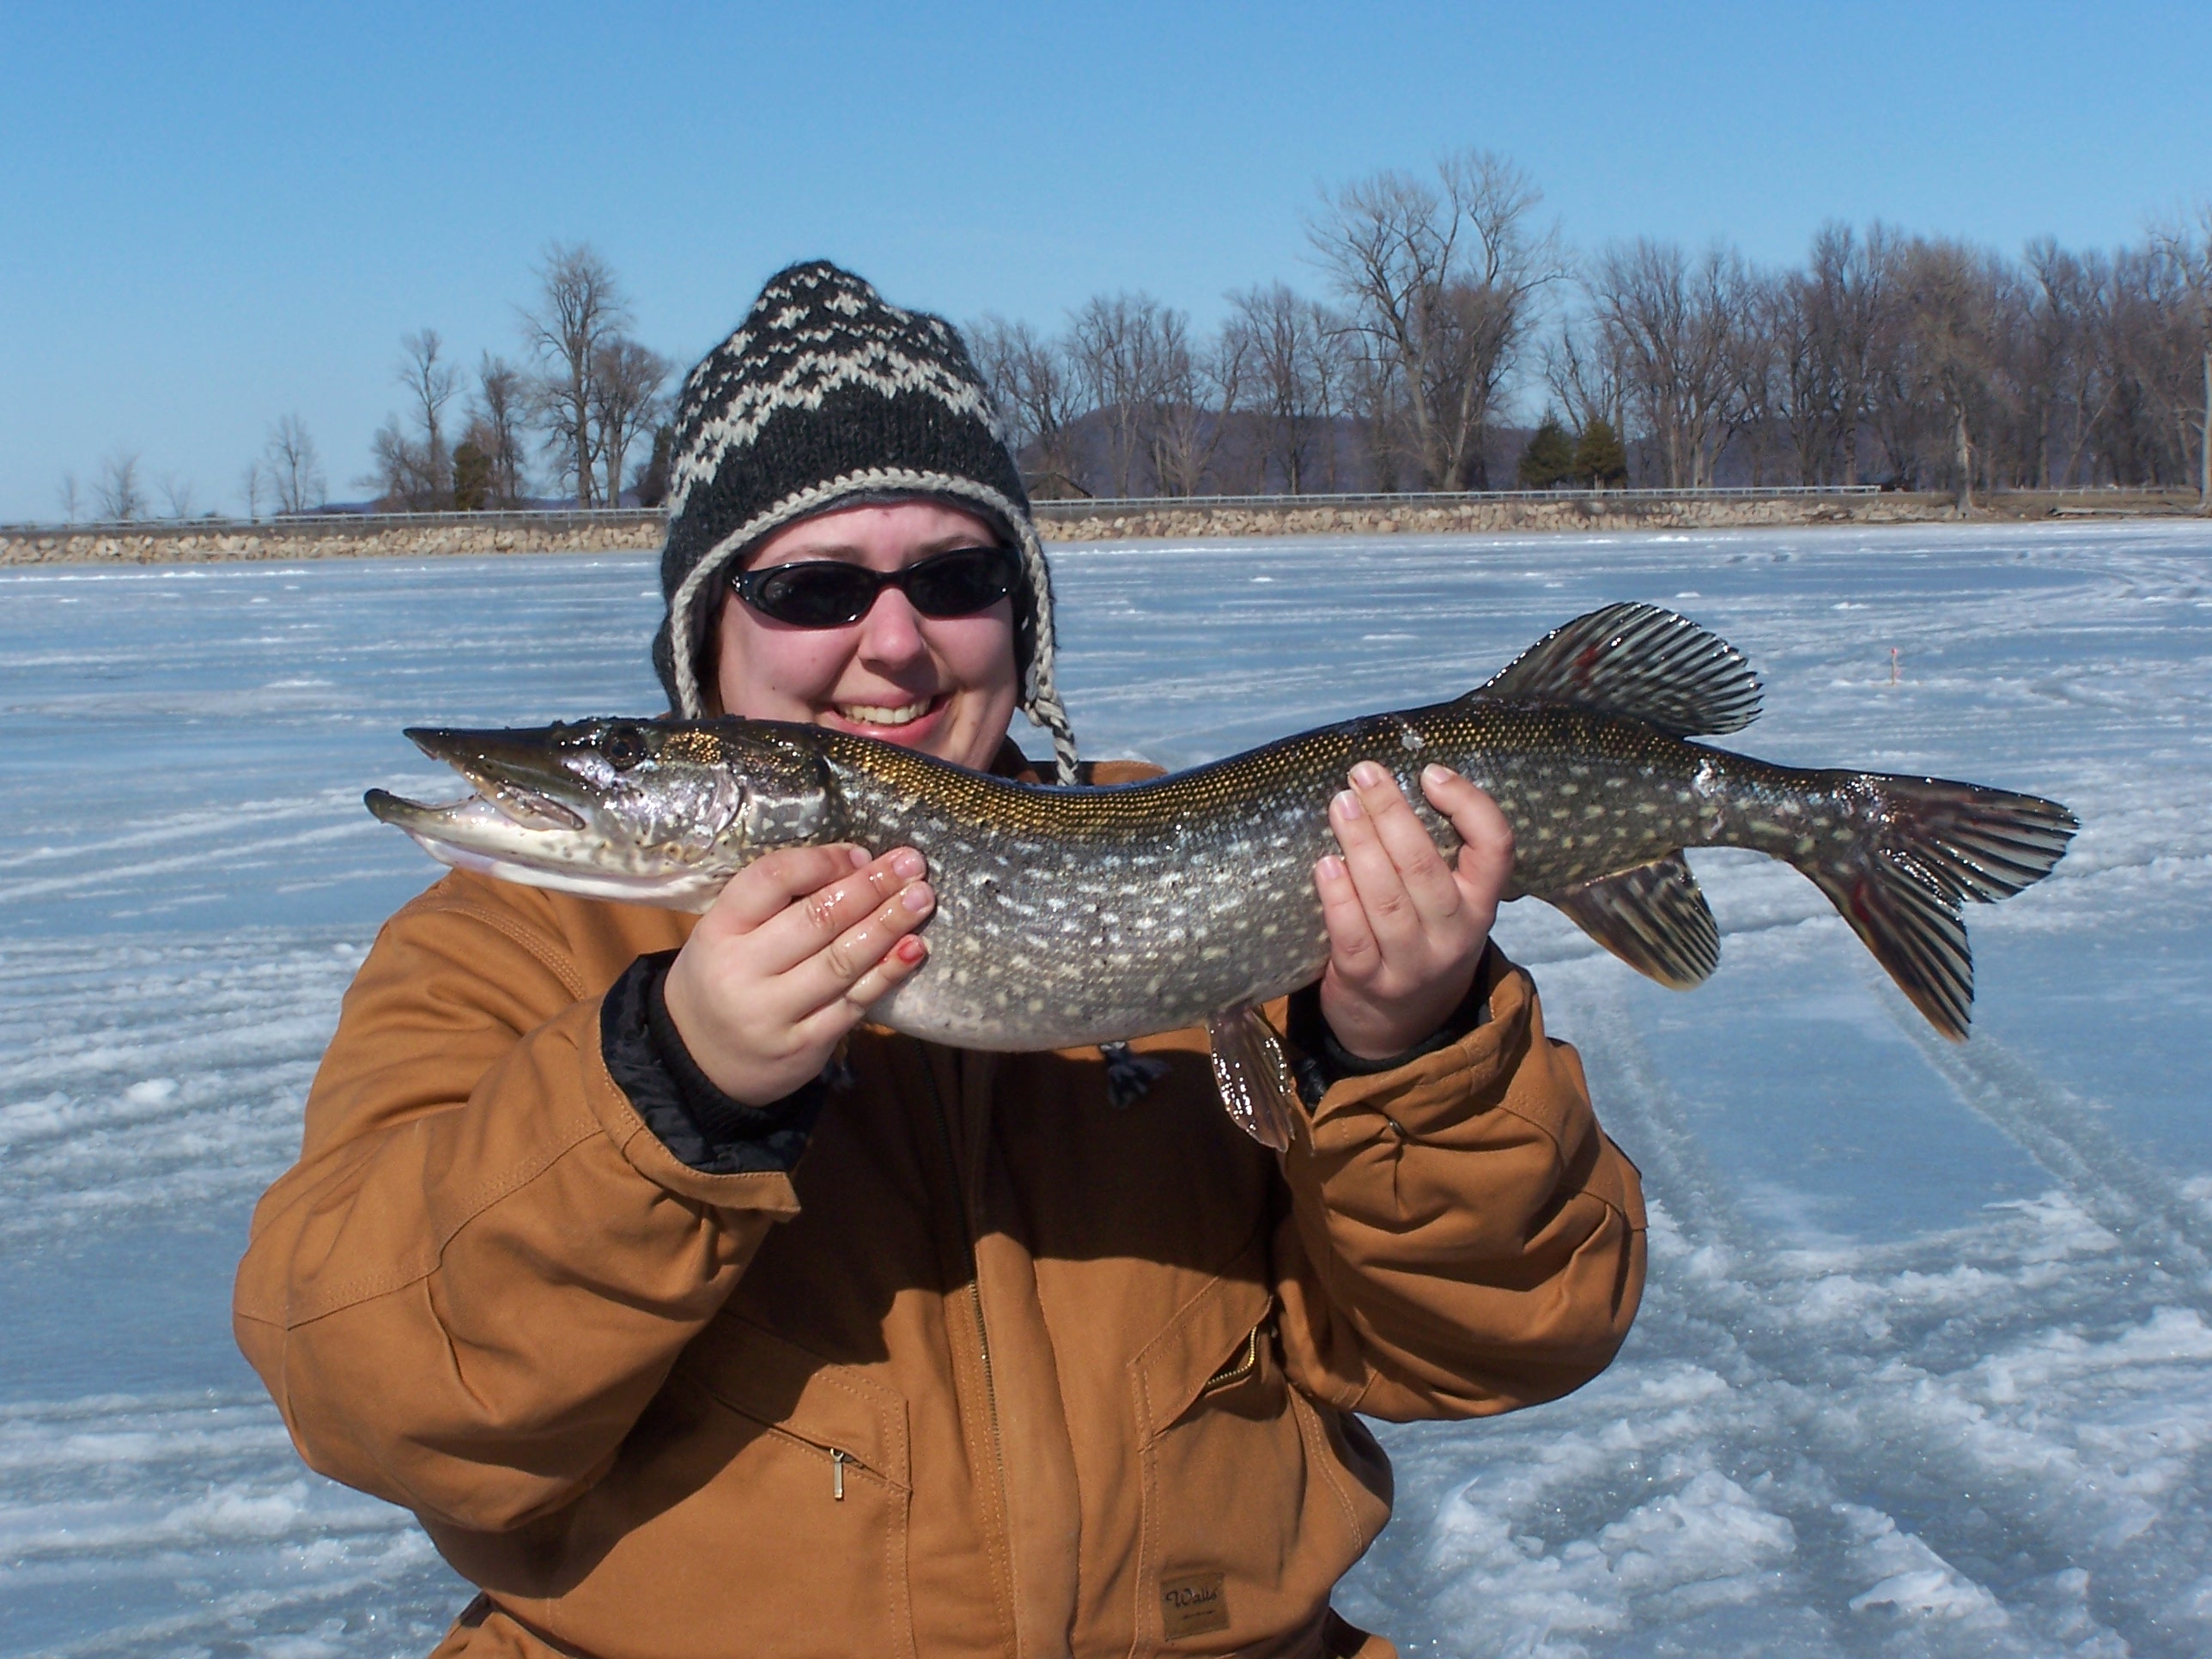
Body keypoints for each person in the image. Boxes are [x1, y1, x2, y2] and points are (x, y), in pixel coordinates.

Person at [235, 261, 1646, 1659]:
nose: (894, 646)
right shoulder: (511, 947)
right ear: (703, 638)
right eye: (810, 589)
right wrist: (670, 1091)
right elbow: (376, 1397)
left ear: (1016, 618)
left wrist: (1409, 1054)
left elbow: (1508, 1339)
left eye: (956, 578)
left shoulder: (1226, 879)